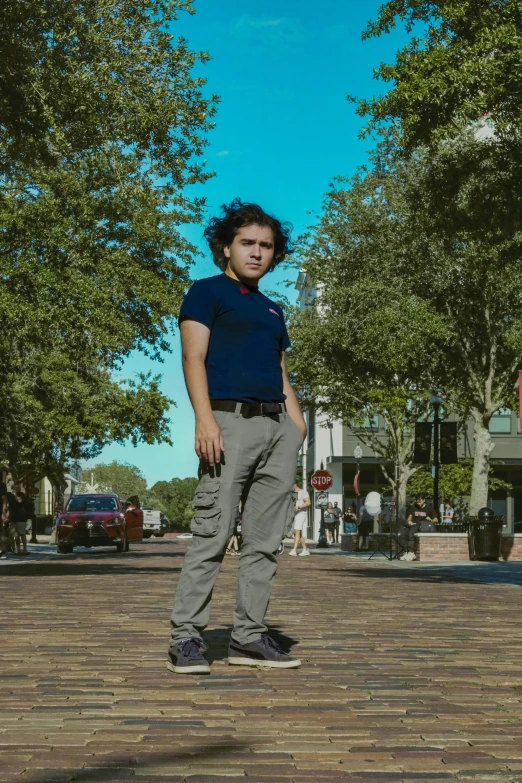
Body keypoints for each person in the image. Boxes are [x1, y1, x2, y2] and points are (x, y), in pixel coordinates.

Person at [167, 199, 306, 675]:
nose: (257, 252)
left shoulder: (273, 308)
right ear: (226, 247)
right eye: (247, 243)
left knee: (266, 541)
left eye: (266, 246)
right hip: (228, 423)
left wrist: (297, 424)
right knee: (212, 533)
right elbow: (193, 358)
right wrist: (204, 420)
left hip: (277, 427)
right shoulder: (206, 292)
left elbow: (280, 370)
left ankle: (248, 637)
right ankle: (186, 638)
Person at [398, 493, 439, 561]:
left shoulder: (429, 509)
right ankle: (406, 552)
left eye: (420, 501)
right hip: (413, 525)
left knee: (411, 533)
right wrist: (409, 521)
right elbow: (409, 518)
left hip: (422, 525)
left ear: (424, 500)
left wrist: (431, 519)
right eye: (417, 502)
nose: (419, 503)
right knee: (402, 535)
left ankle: (411, 552)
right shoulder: (413, 508)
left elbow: (436, 520)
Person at [288, 481, 310, 557]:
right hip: (294, 514)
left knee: (297, 531)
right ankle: (305, 549)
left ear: (295, 484)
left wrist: (299, 507)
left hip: (301, 513)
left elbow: (308, 502)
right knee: (297, 533)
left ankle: (294, 550)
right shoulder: (292, 493)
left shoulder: (303, 492)